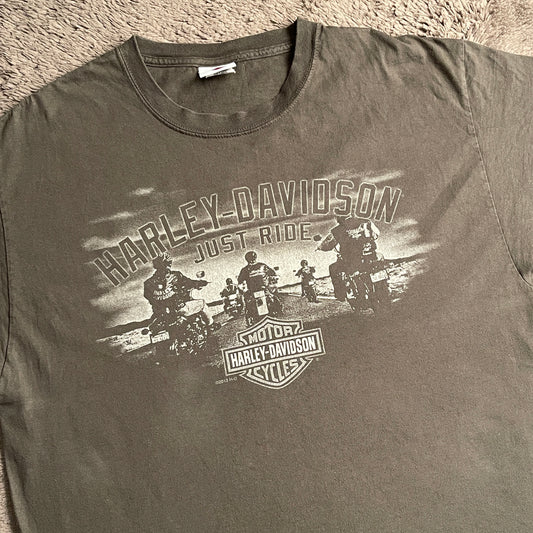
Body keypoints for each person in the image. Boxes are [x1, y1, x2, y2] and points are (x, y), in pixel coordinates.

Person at [319, 215, 380, 301]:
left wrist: (320, 247)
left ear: (338, 218)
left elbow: (328, 245)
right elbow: (376, 234)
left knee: (333, 268)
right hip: (371, 255)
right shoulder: (366, 222)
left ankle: (340, 295)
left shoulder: (336, 230)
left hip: (351, 260)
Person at [144, 252, 214, 327]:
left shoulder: (148, 283)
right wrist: (200, 283)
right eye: (168, 263)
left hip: (162, 314)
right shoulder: (176, 276)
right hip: (179, 308)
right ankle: (210, 325)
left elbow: (148, 297)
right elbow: (190, 283)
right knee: (202, 303)